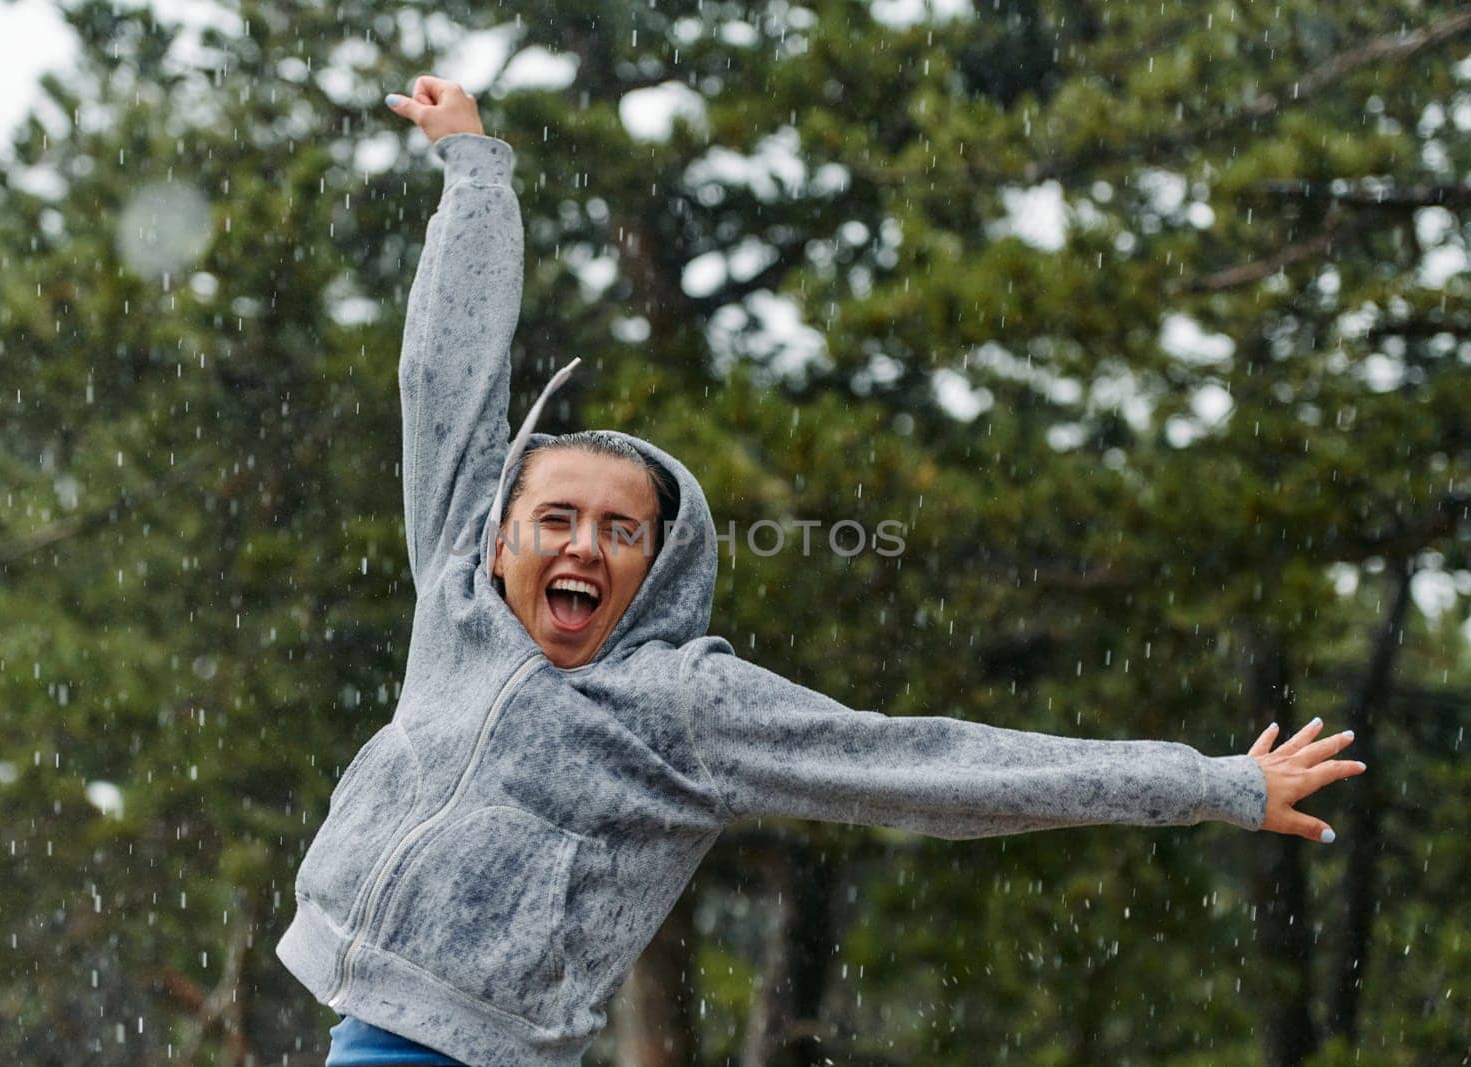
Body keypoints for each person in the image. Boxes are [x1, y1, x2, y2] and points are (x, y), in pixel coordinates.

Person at [276, 75, 1367, 1067]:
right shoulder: (456, 590)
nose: (581, 546)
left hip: (467, 1049)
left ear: (659, 563)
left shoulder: (686, 705)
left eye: (620, 532)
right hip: (357, 1000)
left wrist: (1207, 781)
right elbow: (446, 374)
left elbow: (933, 768)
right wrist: (474, 166)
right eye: (556, 518)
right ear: (502, 536)